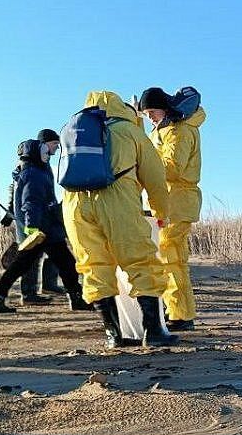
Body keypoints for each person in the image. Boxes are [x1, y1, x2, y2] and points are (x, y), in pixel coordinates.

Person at [62, 91, 178, 348]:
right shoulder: (129, 130)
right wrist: (161, 213)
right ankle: (154, 331)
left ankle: (113, 335)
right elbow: (155, 176)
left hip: (74, 204)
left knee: (93, 266)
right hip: (116, 199)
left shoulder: (75, 128)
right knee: (140, 260)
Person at [0, 140, 92, 314]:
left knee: (64, 264)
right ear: (36, 153)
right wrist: (32, 227)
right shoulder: (33, 173)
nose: (48, 154)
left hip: (48, 228)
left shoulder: (37, 171)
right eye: (45, 150)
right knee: (24, 265)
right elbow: (31, 202)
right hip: (42, 230)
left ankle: (76, 298)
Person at [138, 87, 205, 332]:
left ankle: (180, 315)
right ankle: (177, 311)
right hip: (167, 201)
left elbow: (173, 168)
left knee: (171, 259)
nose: (150, 118)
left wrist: (142, 166)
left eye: (152, 112)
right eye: (146, 114)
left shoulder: (180, 131)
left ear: (164, 109)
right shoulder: (166, 130)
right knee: (170, 258)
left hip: (177, 201)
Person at [14, 129, 64, 303]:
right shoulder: (31, 166)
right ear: (44, 144)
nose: (56, 149)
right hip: (31, 216)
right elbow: (28, 195)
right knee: (32, 254)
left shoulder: (42, 163)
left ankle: (49, 284)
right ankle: (28, 294)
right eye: (54, 145)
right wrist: (29, 221)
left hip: (44, 213)